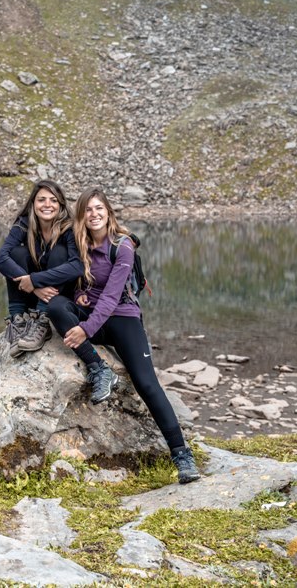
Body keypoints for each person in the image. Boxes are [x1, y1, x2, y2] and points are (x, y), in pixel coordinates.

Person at [47, 188, 201, 484]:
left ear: (109, 212)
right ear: (81, 216)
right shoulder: (78, 245)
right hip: (93, 316)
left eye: (98, 209)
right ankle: (99, 369)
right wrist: (79, 297)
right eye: (88, 210)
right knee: (55, 306)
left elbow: (112, 295)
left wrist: (85, 329)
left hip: (123, 318)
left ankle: (182, 456)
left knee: (146, 383)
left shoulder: (123, 246)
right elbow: (80, 285)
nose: (94, 214)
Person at [0, 180, 83, 358]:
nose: (47, 205)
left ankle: (43, 320)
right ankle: (17, 320)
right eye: (41, 200)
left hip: (58, 295)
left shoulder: (69, 227)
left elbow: (77, 266)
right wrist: (35, 288)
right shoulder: (24, 223)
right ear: (33, 203)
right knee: (16, 253)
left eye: (53, 200)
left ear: (61, 204)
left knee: (60, 251)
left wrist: (34, 280)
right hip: (34, 291)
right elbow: (1, 259)